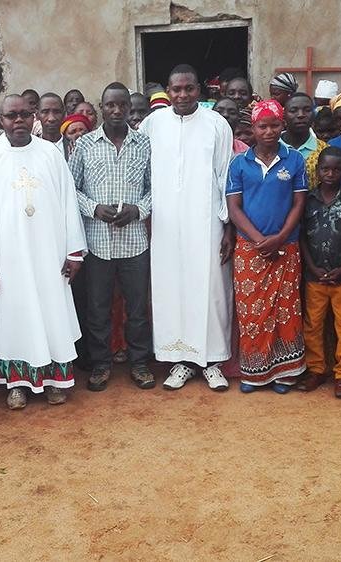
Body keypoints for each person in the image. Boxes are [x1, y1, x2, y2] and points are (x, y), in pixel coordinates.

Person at [0, 94, 87, 409]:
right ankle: (16, 383)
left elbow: (69, 203)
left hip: (49, 255)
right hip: (7, 258)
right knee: (14, 319)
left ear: (35, 117)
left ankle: (54, 381)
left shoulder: (50, 154)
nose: (18, 121)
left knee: (50, 314)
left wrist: (74, 252)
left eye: (24, 115)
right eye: (10, 116)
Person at [139, 64, 234, 391]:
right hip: (165, 224)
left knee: (210, 289)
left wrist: (228, 227)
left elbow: (225, 176)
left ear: (199, 91)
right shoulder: (152, 124)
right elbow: (144, 176)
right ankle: (180, 361)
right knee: (171, 288)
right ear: (167, 90)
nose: (182, 95)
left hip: (207, 222)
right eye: (176, 89)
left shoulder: (217, 124)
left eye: (188, 89)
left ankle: (212, 361)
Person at [70, 82, 154, 391]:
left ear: (130, 109)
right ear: (101, 107)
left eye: (122, 105)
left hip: (134, 242)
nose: (116, 110)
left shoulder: (144, 144)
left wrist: (138, 209)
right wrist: (93, 208)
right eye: (110, 105)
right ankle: (101, 364)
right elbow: (71, 188)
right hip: (98, 242)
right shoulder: (86, 145)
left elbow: (153, 188)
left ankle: (140, 363)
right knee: (98, 309)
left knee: (136, 309)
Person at [225, 99, 307, 393]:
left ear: (282, 126)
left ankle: (284, 373)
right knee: (252, 311)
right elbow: (234, 208)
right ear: (253, 129)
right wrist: (259, 240)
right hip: (250, 249)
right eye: (263, 126)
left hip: (287, 246)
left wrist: (281, 236)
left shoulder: (294, 159)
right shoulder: (239, 163)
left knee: (285, 309)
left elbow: (299, 203)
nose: (269, 131)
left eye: (274, 125)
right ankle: (254, 373)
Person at [300, 147, 341, 398]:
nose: (330, 173)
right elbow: (302, 235)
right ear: (317, 170)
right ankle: (316, 369)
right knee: (313, 324)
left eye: (337, 169)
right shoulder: (308, 200)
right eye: (325, 168)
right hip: (314, 275)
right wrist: (311, 267)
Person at [281, 93, 328, 189]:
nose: (301, 115)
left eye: (307, 110)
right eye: (293, 111)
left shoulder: (324, 150)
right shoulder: (270, 148)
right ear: (284, 115)